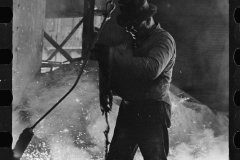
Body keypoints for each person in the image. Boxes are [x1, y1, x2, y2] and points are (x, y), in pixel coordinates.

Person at [91, 0, 176, 159]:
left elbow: (152, 69)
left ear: (148, 19)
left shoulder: (163, 40)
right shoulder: (132, 40)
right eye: (128, 24)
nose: (129, 28)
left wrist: (113, 56)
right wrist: (106, 89)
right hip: (130, 109)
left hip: (153, 110)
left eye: (134, 24)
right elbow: (120, 69)